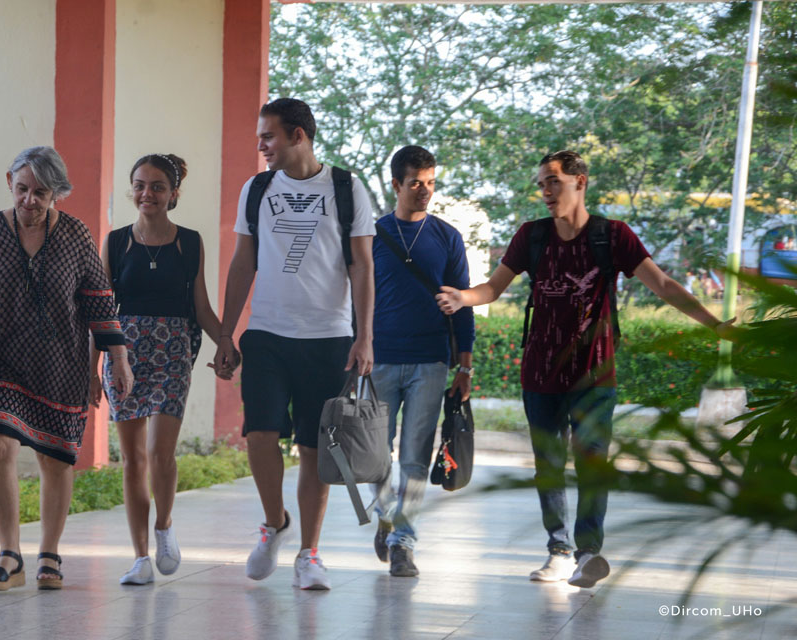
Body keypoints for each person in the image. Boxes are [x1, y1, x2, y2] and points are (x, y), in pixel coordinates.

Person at [435, 150, 737, 589]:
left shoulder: (612, 236)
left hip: (595, 374)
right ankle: (558, 551)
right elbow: (494, 288)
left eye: (553, 181)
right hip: (540, 372)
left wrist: (714, 325)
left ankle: (588, 553)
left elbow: (665, 285)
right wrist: (464, 297)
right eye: (541, 183)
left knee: (592, 464)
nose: (545, 191)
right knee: (549, 465)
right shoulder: (531, 236)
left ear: (581, 182)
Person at [0, 146, 133, 591]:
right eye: (23, 189)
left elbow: (98, 300)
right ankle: (9, 555)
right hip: (3, 360)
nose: (30, 200)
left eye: (41, 193)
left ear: (57, 195)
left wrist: (117, 357)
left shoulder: (74, 235)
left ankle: (49, 552)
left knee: (55, 459)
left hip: (61, 363)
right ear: (9, 181)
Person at [213, 98, 376, 590]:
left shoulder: (347, 188)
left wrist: (364, 335)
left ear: (298, 136)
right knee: (260, 434)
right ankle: (275, 522)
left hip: (328, 337)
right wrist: (225, 331)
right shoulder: (257, 188)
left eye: (269, 137)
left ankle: (309, 554)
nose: (261, 146)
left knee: (314, 449)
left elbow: (362, 266)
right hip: (266, 331)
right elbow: (244, 262)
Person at [97, 153, 227, 585]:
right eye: (139, 185)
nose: (146, 193)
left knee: (160, 454)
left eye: (156, 186)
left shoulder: (189, 242)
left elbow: (201, 307)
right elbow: (99, 310)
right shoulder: (115, 242)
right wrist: (89, 367)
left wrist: (226, 340)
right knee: (132, 460)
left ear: (173, 194)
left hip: (173, 352)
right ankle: (139, 558)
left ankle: (164, 526)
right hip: (124, 356)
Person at [368, 145, 475, 577]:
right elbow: (351, 299)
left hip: (431, 362)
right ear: (396, 184)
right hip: (378, 360)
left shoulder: (447, 237)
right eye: (416, 183)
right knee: (375, 456)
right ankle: (387, 516)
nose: (425, 191)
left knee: (415, 456)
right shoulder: (371, 235)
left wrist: (464, 366)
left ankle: (402, 541)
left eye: (430, 183)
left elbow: (463, 304)